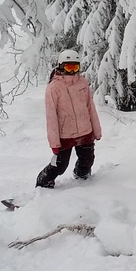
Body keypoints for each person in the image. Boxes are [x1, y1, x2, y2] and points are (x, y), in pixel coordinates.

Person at [35, 49, 102, 188]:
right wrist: (54, 142)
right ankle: (43, 183)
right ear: (61, 66)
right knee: (60, 166)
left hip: (85, 130)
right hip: (65, 134)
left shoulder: (82, 83)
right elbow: (51, 116)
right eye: (68, 67)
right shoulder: (54, 88)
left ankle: (83, 179)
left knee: (87, 161)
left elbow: (90, 107)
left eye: (75, 67)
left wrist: (96, 130)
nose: (72, 71)